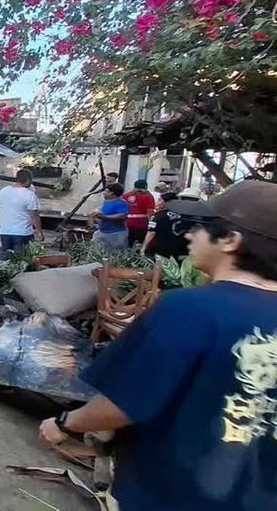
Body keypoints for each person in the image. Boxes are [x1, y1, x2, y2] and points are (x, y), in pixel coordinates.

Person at [38, 180, 277, 511]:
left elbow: (124, 405)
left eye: (201, 228)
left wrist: (64, 423)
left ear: (231, 241)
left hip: (169, 495)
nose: (189, 235)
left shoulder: (188, 309)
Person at [0, 169, 43, 258]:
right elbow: (34, 216)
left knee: (6, 260)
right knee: (22, 260)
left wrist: (4, 223)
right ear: (28, 180)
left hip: (5, 232)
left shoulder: (3, 191)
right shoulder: (29, 195)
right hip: (22, 233)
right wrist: (39, 232)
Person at [143, 192, 188, 258]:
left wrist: (144, 247)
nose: (158, 202)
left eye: (160, 200)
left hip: (160, 247)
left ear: (167, 202)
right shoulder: (184, 215)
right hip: (179, 248)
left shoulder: (159, 215)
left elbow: (151, 232)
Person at [90, 183, 129, 251]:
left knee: (113, 253)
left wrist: (105, 217)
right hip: (102, 231)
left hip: (115, 233)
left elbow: (122, 215)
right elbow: (101, 213)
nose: (104, 193)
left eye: (106, 191)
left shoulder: (121, 202)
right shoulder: (106, 202)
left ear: (112, 193)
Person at [124, 179, 156, 247]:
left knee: (128, 244)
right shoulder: (148, 196)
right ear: (145, 187)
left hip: (127, 223)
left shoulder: (126, 196)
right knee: (141, 245)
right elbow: (150, 212)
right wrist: (151, 225)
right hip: (142, 224)